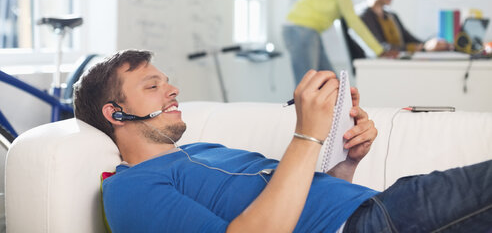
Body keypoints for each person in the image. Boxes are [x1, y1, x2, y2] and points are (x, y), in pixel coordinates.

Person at [73, 49, 492, 233]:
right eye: (152, 86)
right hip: (373, 222)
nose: (173, 90)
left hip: (374, 209)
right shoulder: (130, 189)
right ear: (116, 113)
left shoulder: (199, 152)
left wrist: (345, 160)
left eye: (168, 81)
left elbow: (297, 212)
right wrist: (306, 133)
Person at [360, 0, 451, 53]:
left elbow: (411, 40)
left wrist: (432, 44)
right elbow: (381, 47)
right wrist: (423, 48)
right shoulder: (364, 16)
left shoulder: (392, 16)